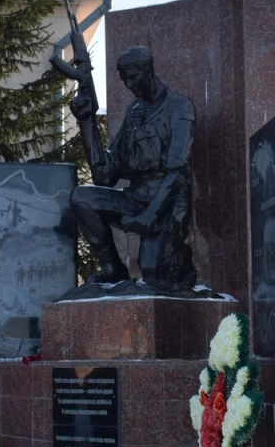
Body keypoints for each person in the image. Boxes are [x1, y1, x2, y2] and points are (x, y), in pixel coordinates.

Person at [69, 46, 196, 290]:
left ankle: (179, 260)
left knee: (153, 273)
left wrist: (150, 216)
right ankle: (113, 269)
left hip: (167, 202)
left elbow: (178, 173)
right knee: (82, 197)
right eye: (123, 78)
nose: (128, 84)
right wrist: (86, 122)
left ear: (148, 71)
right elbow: (104, 175)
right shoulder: (133, 112)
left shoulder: (180, 107)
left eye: (132, 76)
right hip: (135, 198)